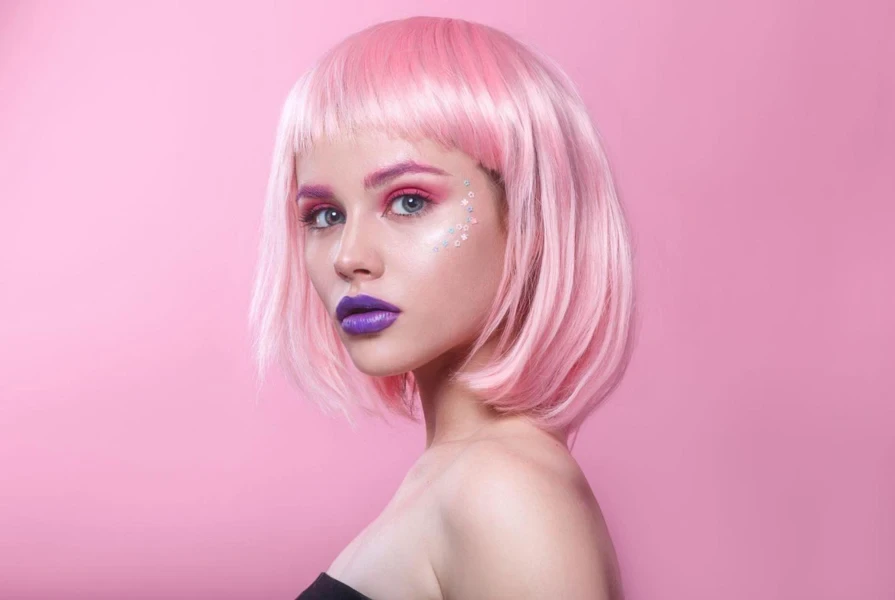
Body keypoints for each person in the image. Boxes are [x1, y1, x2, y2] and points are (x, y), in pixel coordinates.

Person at [249, 15, 637, 600]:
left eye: (408, 201)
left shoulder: (505, 493)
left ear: (531, 221)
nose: (349, 257)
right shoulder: (461, 476)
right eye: (324, 215)